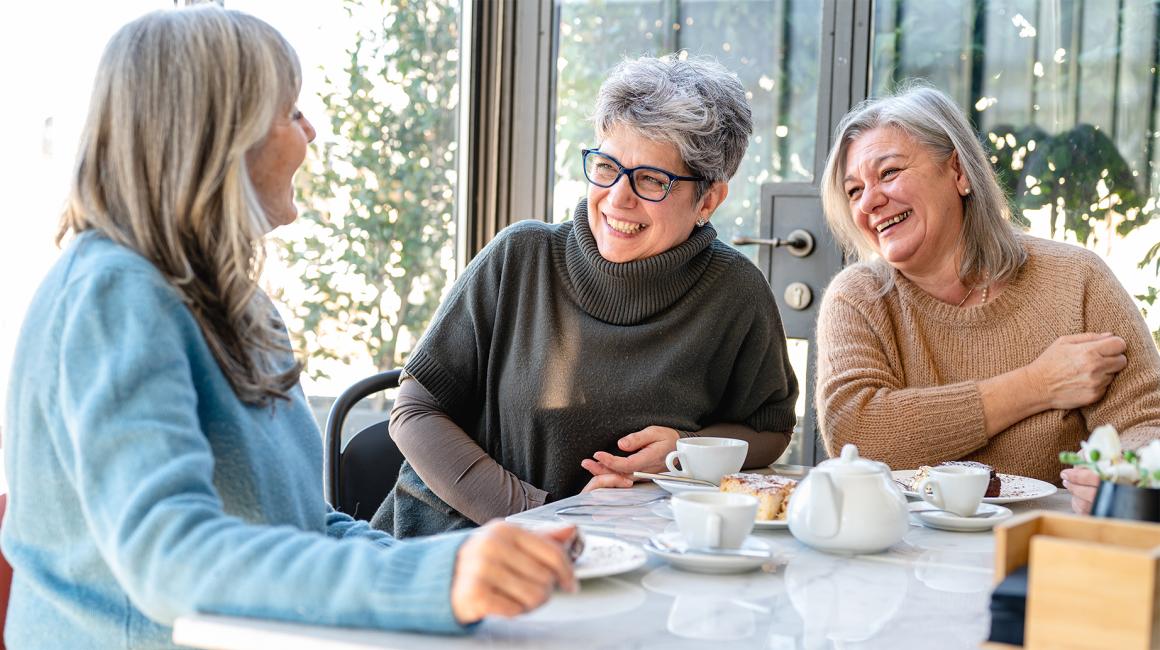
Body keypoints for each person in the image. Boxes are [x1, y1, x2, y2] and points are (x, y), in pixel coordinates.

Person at [1, 8, 576, 648]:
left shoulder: (241, 308)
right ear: (216, 135)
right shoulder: (112, 294)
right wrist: (436, 579)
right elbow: (170, 558)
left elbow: (300, 525)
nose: (311, 132)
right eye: (290, 111)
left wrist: (461, 564)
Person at [372, 55, 799, 538]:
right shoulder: (521, 256)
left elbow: (768, 429)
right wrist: (546, 513)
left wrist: (687, 448)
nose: (618, 197)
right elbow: (414, 410)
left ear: (707, 200)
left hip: (633, 556)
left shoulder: (735, 291)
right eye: (606, 166)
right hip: (460, 546)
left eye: (652, 180)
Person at [814, 83, 1160, 514]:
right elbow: (857, 434)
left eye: (888, 172)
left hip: (1041, 545)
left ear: (958, 172)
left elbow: (1147, 422)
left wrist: (1116, 474)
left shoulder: (1078, 280)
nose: (870, 201)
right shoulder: (858, 298)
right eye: (853, 191)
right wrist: (1038, 384)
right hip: (900, 548)